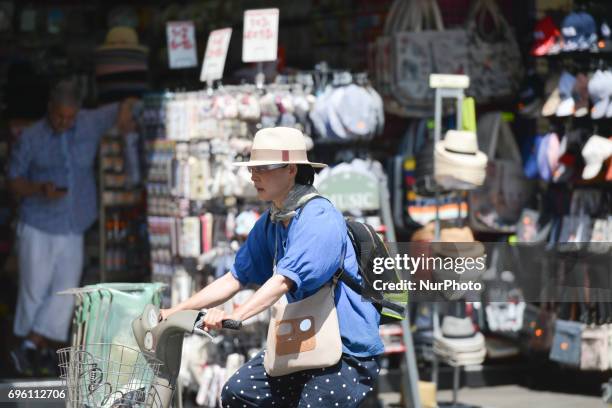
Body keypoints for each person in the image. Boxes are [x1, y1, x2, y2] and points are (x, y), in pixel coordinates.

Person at [161, 127, 384, 407]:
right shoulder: (273, 221)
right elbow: (234, 278)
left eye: (263, 168)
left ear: (291, 170)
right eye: (252, 169)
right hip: (302, 343)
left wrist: (237, 315)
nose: (254, 176)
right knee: (239, 392)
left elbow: (282, 282)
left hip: (348, 352)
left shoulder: (319, 218)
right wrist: (173, 312)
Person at [8, 77, 138, 376]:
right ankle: (31, 351)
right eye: (59, 116)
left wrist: (127, 125)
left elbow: (125, 105)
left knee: (65, 291)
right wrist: (40, 189)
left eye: (69, 117)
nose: (64, 122)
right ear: (49, 108)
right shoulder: (31, 137)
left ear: (78, 112)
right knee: (34, 291)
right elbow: (13, 181)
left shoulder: (90, 123)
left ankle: (29, 346)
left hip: (74, 224)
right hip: (38, 223)